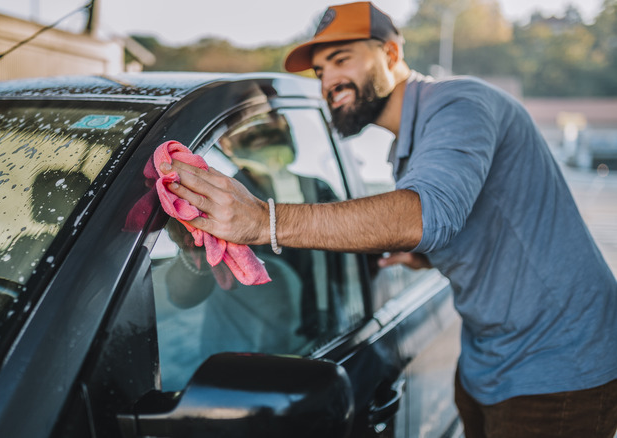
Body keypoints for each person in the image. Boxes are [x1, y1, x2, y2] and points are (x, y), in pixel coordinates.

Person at [159, 2, 617, 437]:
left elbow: (426, 213)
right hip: (486, 360)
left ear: (392, 53)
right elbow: (479, 225)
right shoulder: (410, 147)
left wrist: (263, 220)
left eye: (341, 60)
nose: (328, 82)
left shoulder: (460, 103)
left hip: (557, 364)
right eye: (321, 72)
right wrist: (429, 258)